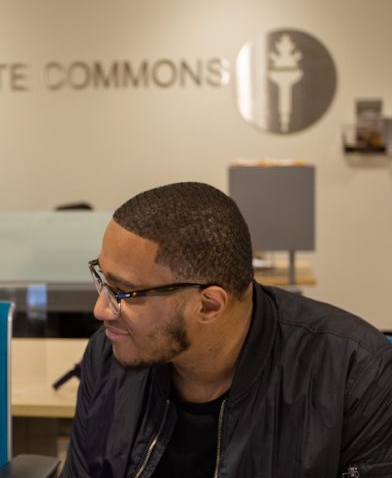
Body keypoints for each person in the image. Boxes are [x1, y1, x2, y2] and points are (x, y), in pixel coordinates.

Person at [61, 182, 392, 478]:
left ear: (208, 305)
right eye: (102, 279)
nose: (101, 309)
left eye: (124, 293)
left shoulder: (356, 375)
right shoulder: (107, 355)